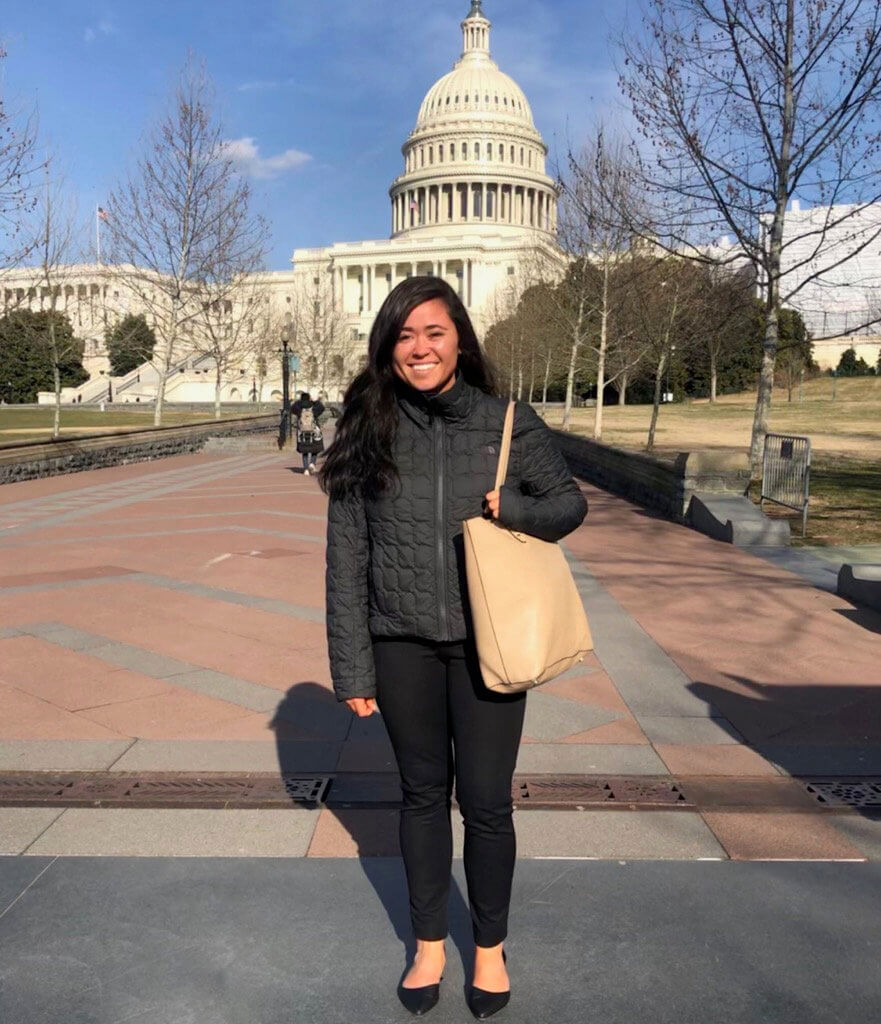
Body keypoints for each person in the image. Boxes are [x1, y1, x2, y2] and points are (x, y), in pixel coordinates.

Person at [319, 277, 587, 1019]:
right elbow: (347, 553)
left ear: (459, 338)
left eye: (432, 332)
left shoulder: (505, 420)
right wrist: (351, 664)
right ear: (387, 348)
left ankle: (491, 948)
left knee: (487, 803)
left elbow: (569, 504)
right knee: (421, 798)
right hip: (399, 640)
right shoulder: (366, 426)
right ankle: (430, 942)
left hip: (487, 642)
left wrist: (520, 510)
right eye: (404, 336)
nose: (419, 348)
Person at [291, 390, 325, 474]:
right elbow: (322, 408)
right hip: (313, 431)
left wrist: (299, 401)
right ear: (309, 398)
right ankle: (312, 464)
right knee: (315, 449)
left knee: (304, 451)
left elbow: (292, 408)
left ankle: (306, 469)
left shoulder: (299, 408)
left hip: (302, 432)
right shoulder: (313, 407)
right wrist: (315, 401)